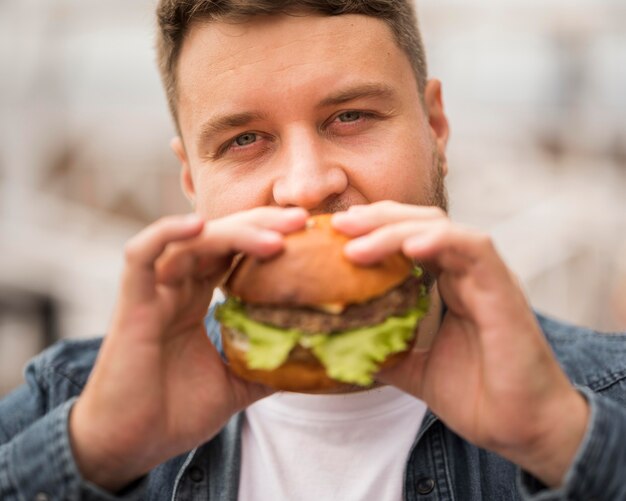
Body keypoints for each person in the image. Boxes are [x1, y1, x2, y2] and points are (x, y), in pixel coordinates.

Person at [1, 1, 625, 499]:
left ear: (435, 128)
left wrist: (563, 442)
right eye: (244, 139)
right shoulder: (66, 403)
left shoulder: (604, 395)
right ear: (192, 182)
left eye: (350, 117)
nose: (305, 187)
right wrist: (92, 456)